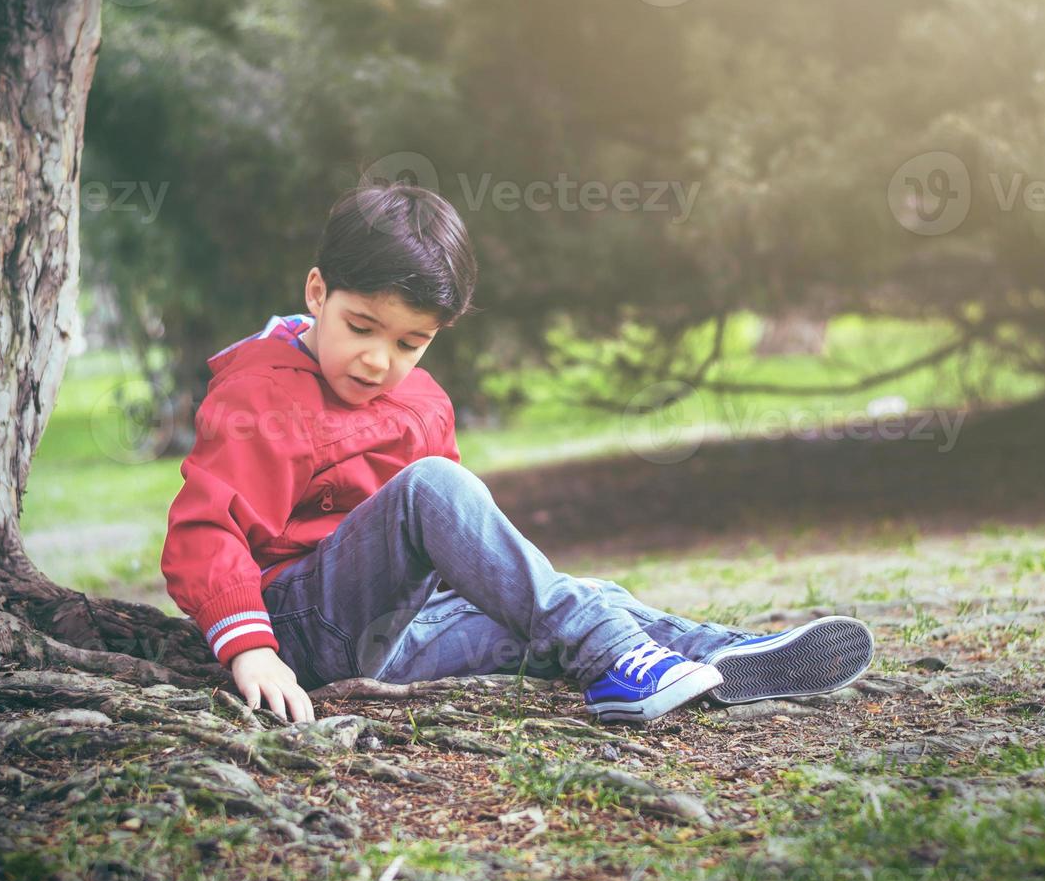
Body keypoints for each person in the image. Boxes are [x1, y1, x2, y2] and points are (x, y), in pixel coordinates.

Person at [161, 183, 874, 725]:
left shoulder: (422, 401)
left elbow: (461, 546)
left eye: (410, 343)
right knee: (433, 487)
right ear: (317, 292)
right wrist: (250, 649)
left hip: (410, 632)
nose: (380, 360)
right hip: (302, 628)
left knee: (577, 601)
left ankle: (717, 657)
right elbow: (206, 530)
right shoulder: (261, 394)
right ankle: (613, 659)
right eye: (362, 327)